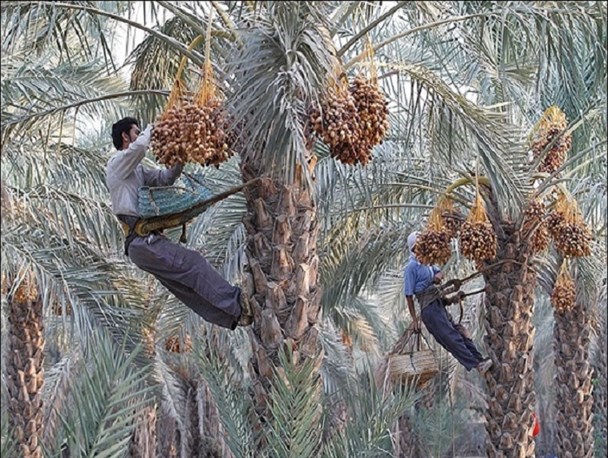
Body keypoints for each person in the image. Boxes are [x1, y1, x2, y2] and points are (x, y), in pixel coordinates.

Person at [105, 117, 252, 330]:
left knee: (184, 286)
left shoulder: (137, 171)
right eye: (136, 132)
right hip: (141, 241)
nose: (141, 135)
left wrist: (181, 154)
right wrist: (153, 128)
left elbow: (165, 179)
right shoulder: (116, 164)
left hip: (142, 245)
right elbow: (138, 149)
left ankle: (232, 317)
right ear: (125, 136)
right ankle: (237, 304)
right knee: (193, 263)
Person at [403, 231, 492, 374]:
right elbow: (408, 295)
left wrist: (451, 298)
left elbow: (439, 275)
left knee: (460, 332)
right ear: (414, 247)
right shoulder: (411, 267)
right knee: (451, 337)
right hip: (429, 310)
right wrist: (415, 320)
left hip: (438, 305)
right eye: (420, 244)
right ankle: (476, 365)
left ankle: (480, 360)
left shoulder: (428, 262)